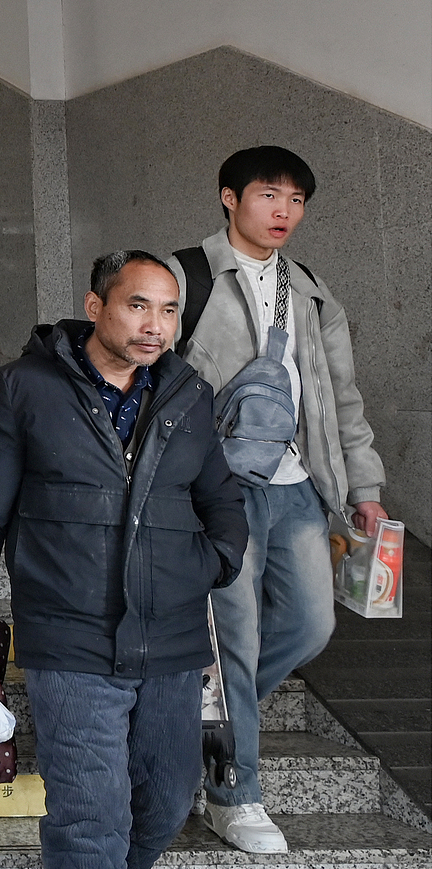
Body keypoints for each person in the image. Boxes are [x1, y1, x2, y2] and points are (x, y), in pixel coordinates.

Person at [0, 250, 248, 869]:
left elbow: (221, 500)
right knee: (88, 816)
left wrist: (211, 564)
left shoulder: (190, 394)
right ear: (95, 307)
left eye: (168, 310)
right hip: (70, 635)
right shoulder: (23, 387)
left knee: (166, 799)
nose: (155, 325)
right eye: (137, 306)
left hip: (171, 637)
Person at [166, 147, 388, 854]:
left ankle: (196, 727)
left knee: (310, 626)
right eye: (269, 195)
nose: (283, 211)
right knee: (236, 636)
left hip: (298, 488)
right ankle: (235, 791)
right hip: (219, 488)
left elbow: (340, 397)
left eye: (295, 200)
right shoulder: (186, 276)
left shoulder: (313, 287)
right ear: (229, 197)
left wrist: (364, 487)